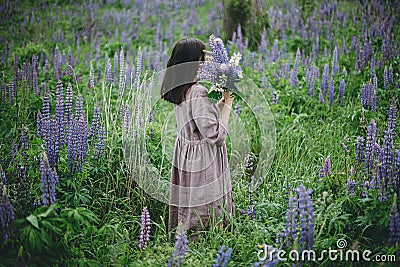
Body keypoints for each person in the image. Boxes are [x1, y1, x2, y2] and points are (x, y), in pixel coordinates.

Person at [161, 38, 236, 242]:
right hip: (203, 158)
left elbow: (197, 119)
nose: (205, 64)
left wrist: (218, 104)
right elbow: (215, 135)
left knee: (190, 199)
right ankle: (204, 241)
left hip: (186, 154)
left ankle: (184, 236)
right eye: (203, 60)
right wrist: (228, 104)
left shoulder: (182, 89)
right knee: (204, 202)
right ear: (195, 62)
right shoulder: (197, 91)